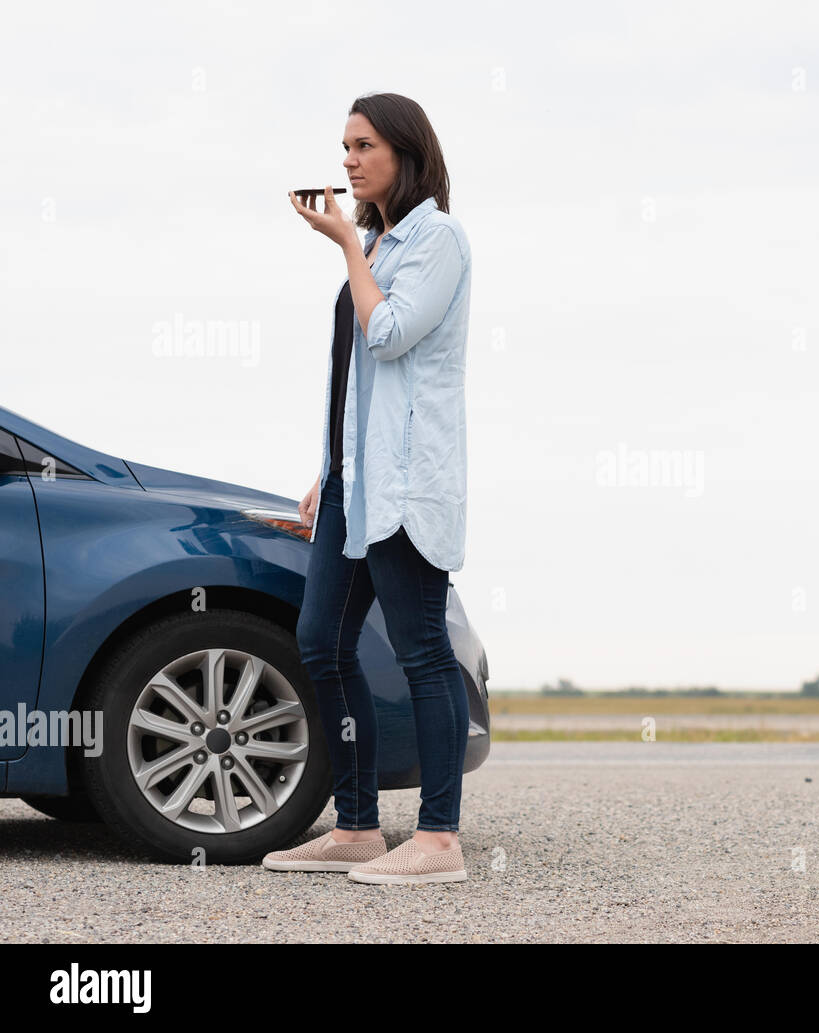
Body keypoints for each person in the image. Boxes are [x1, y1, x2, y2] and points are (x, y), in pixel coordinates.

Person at [262, 92, 472, 885]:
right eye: (344, 145)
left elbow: (385, 335)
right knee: (321, 640)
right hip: (356, 480)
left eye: (363, 145)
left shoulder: (436, 238)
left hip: (409, 484)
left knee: (423, 649)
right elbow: (356, 381)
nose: (347, 159)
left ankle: (440, 841)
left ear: (405, 154)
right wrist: (331, 466)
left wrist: (346, 242)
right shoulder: (380, 241)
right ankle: (355, 827)